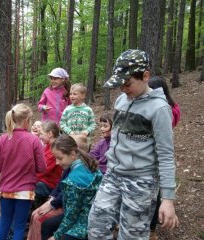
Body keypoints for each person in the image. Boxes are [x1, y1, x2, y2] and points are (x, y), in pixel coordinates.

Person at [87, 49, 180, 240]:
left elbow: (165, 155)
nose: (123, 89)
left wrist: (168, 199)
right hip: (113, 174)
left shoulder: (160, 109)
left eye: (127, 83)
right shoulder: (122, 100)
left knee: (131, 235)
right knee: (96, 226)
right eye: (120, 84)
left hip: (141, 181)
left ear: (145, 76)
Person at [0, 103, 46, 240]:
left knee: (5, 222)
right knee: (19, 225)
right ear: (27, 120)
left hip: (6, 190)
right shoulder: (34, 140)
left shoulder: (3, 139)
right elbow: (42, 167)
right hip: (25, 191)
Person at [41, 134, 102, 240]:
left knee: (63, 236)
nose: (57, 162)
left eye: (60, 158)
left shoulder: (73, 182)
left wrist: (56, 236)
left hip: (84, 222)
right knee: (47, 224)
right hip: (87, 214)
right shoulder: (86, 163)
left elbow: (71, 217)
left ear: (73, 154)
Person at [148, 76, 181, 240]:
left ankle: (152, 229)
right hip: (158, 147)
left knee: (156, 193)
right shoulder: (173, 106)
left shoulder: (164, 108)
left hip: (157, 151)